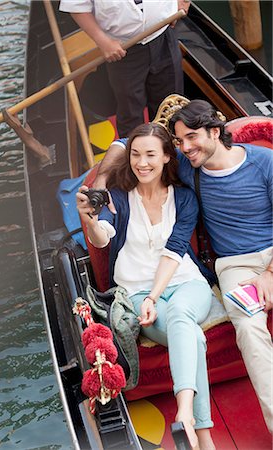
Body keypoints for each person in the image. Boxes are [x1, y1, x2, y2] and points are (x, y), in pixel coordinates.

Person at [96, 98, 273, 434]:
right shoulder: (189, 166)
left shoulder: (264, 162)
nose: (186, 147)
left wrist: (270, 274)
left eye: (192, 137)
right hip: (236, 267)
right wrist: (101, 186)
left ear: (216, 131)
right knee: (249, 329)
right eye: (179, 141)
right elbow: (126, 146)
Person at [77, 123, 216, 450]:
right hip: (136, 292)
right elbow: (103, 239)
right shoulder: (119, 199)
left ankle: (184, 413)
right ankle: (203, 435)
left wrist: (155, 295)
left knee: (182, 313)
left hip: (186, 284)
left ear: (167, 157)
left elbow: (176, 248)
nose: (142, 163)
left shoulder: (184, 198)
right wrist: (91, 221)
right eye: (136, 155)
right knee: (192, 334)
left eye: (151, 155)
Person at [59, 0, 189, 137]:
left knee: (171, 105)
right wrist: (103, 41)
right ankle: (135, 153)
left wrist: (184, 1)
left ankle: (172, 149)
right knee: (130, 110)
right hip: (122, 49)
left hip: (164, 33)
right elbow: (76, 6)